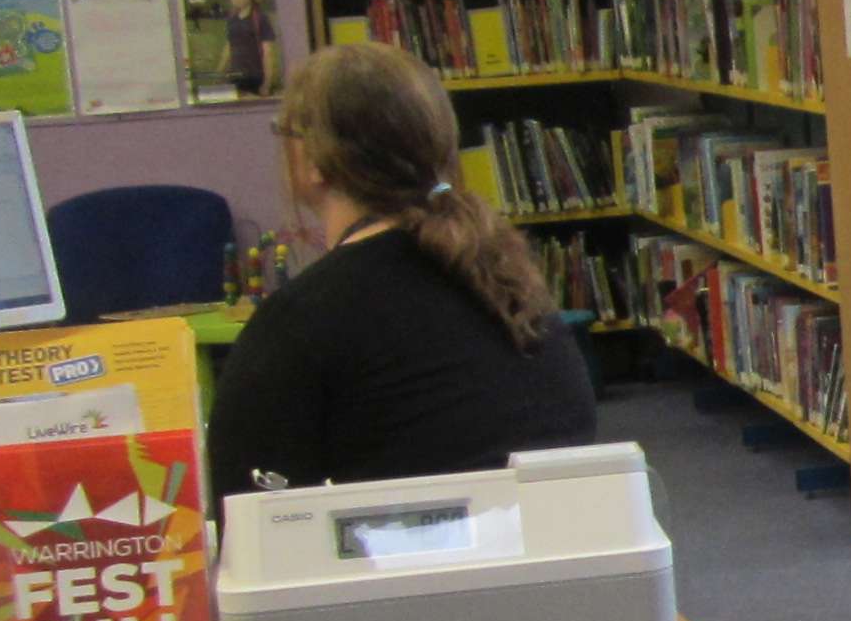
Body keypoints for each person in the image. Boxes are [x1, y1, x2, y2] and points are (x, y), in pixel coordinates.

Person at [207, 41, 597, 507]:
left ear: (311, 160)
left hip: (410, 571)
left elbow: (244, 514)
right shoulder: (509, 279)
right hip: (552, 556)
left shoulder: (301, 318)